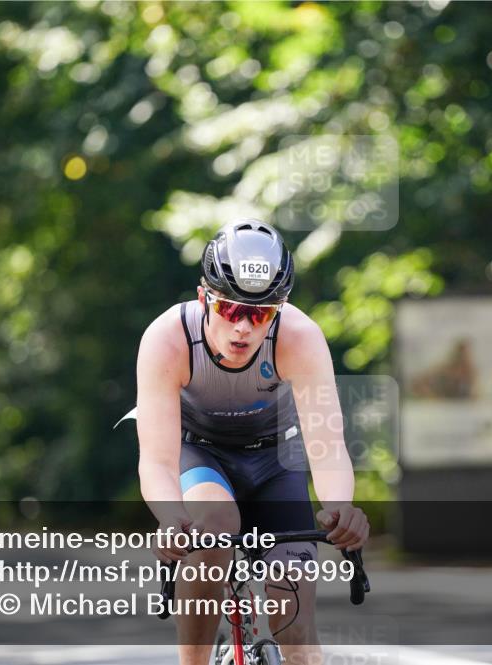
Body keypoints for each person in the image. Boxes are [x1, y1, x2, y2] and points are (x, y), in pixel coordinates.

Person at [133, 219, 370, 665]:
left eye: (260, 313)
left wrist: (341, 510)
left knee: (297, 629)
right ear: (204, 298)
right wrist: (169, 518)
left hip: (275, 460)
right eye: (229, 309)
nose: (243, 327)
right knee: (213, 528)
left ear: (278, 311)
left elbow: (327, 444)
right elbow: (158, 461)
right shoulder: (167, 339)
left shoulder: (299, 337)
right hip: (198, 452)